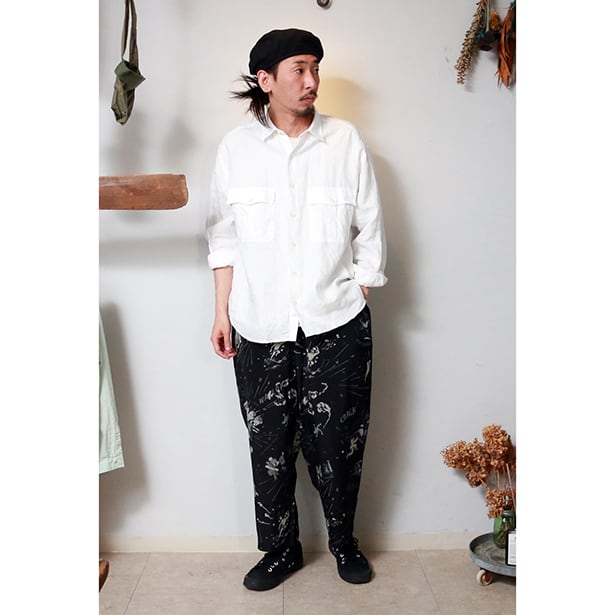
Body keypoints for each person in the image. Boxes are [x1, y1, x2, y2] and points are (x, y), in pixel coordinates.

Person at [206, 28, 387, 591]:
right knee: (269, 447)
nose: (312, 81)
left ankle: (344, 543)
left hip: (337, 321)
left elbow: (370, 225)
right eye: (299, 70)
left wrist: (360, 288)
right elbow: (223, 238)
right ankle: (280, 551)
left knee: (339, 444)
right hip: (258, 323)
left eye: (316, 69)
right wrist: (221, 312)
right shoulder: (235, 149)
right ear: (266, 80)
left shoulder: (345, 141)